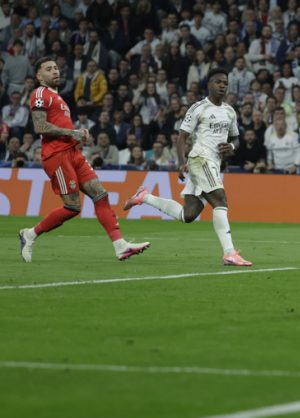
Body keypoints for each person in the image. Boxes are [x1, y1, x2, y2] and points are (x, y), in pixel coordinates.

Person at [18, 57, 150, 262]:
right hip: (56, 155)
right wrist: (72, 133)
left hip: (73, 153)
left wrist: (77, 133)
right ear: (38, 76)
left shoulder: (58, 97)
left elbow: (62, 127)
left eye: (56, 67)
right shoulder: (40, 94)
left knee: (100, 194)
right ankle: (30, 234)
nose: (55, 71)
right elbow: (40, 126)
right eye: (49, 69)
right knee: (72, 207)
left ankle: (120, 246)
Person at [122, 68, 252, 266]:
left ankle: (144, 196)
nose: (222, 86)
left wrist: (231, 146)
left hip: (214, 163)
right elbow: (182, 137)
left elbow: (236, 138)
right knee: (220, 201)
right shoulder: (198, 108)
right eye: (218, 82)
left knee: (188, 215)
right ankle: (229, 253)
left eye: (225, 83)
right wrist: (182, 161)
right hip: (201, 158)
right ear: (209, 84)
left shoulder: (229, 111)